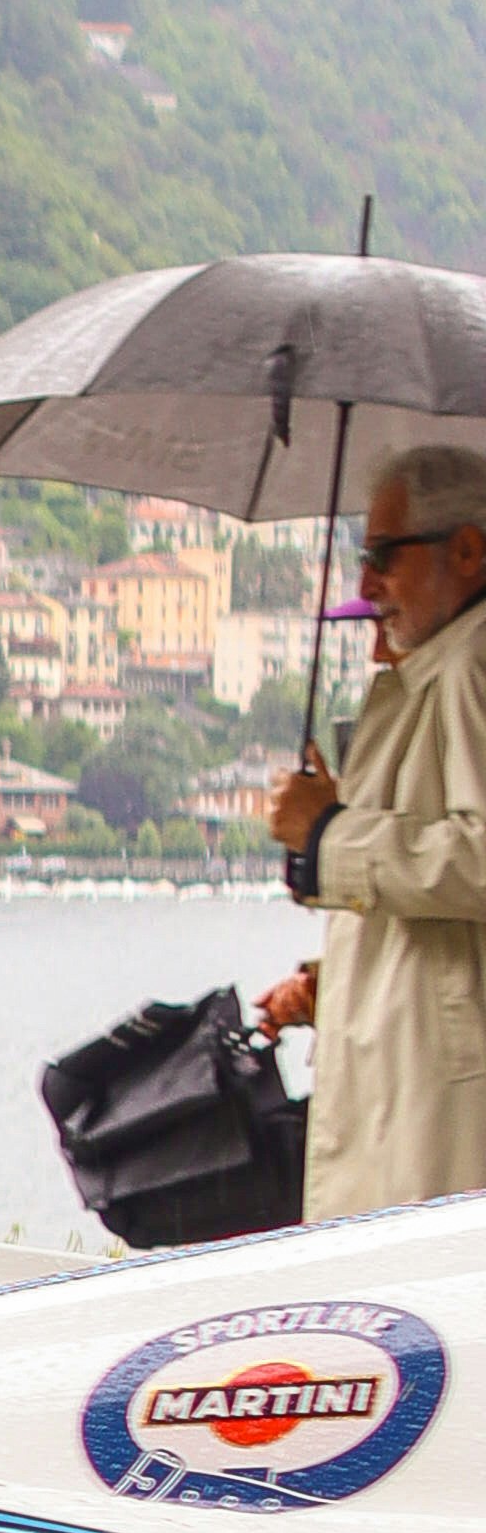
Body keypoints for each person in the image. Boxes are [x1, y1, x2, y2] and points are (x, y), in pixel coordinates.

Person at [257, 441, 486, 1212]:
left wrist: (329, 834)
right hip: (404, 1089)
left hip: (432, 1109)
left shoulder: (472, 666)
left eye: (385, 555)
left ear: (467, 551)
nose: (365, 585)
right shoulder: (434, 674)